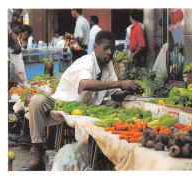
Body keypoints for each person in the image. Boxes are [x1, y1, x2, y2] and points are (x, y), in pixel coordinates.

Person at [18, 30, 143, 171]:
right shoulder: (86, 61)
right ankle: (37, 158)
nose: (109, 53)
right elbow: (85, 84)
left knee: (119, 105)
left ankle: (106, 155)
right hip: (64, 101)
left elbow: (114, 94)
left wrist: (127, 91)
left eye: (112, 50)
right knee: (36, 100)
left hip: (87, 105)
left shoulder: (108, 66)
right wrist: (120, 83)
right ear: (95, 47)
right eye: (106, 48)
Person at [8, 21, 28, 87]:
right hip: (13, 65)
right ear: (13, 27)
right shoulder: (10, 37)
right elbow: (16, 49)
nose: (20, 30)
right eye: (19, 28)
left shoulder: (16, 37)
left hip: (17, 65)